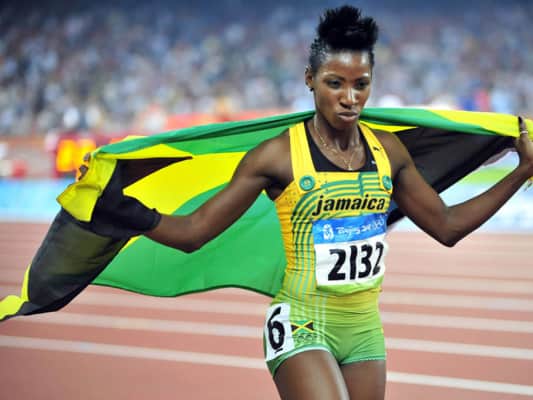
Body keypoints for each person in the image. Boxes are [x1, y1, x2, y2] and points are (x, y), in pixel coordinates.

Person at [80, 5, 533, 400]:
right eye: (335, 83)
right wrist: (121, 208)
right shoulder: (277, 156)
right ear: (310, 80)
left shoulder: (388, 151)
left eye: (361, 84)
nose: (350, 98)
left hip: (365, 330)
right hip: (301, 322)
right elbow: (193, 233)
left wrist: (521, 171)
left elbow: (447, 227)